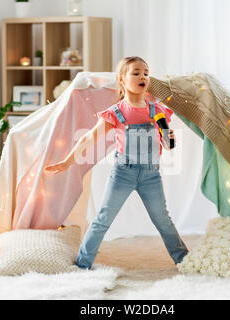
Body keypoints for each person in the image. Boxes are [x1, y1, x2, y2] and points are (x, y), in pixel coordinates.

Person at [45, 56, 188, 269]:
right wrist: (68, 161)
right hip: (123, 174)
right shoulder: (117, 113)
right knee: (103, 219)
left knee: (163, 220)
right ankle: (83, 264)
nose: (143, 77)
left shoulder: (157, 111)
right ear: (122, 79)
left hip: (151, 175)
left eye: (146, 73)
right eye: (136, 73)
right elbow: (88, 138)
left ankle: (184, 260)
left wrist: (169, 137)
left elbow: (167, 146)